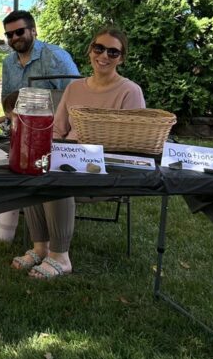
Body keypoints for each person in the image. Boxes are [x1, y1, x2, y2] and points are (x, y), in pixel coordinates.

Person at [11, 26, 145, 280]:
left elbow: (131, 145)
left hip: (105, 169)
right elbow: (58, 131)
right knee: (33, 169)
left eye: (113, 52)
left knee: (58, 180)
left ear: (122, 58)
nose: (104, 56)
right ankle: (41, 247)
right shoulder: (74, 89)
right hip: (70, 159)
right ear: (90, 51)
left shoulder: (130, 92)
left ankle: (61, 255)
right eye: (99, 48)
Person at [0, 10, 79, 242]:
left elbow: (76, 98)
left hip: (51, 135)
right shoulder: (9, 62)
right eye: (9, 35)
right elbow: (8, 101)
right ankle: (7, 230)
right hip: (17, 129)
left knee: (19, 164)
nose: (14, 38)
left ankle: (28, 228)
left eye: (19, 32)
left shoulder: (56, 57)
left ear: (34, 30)